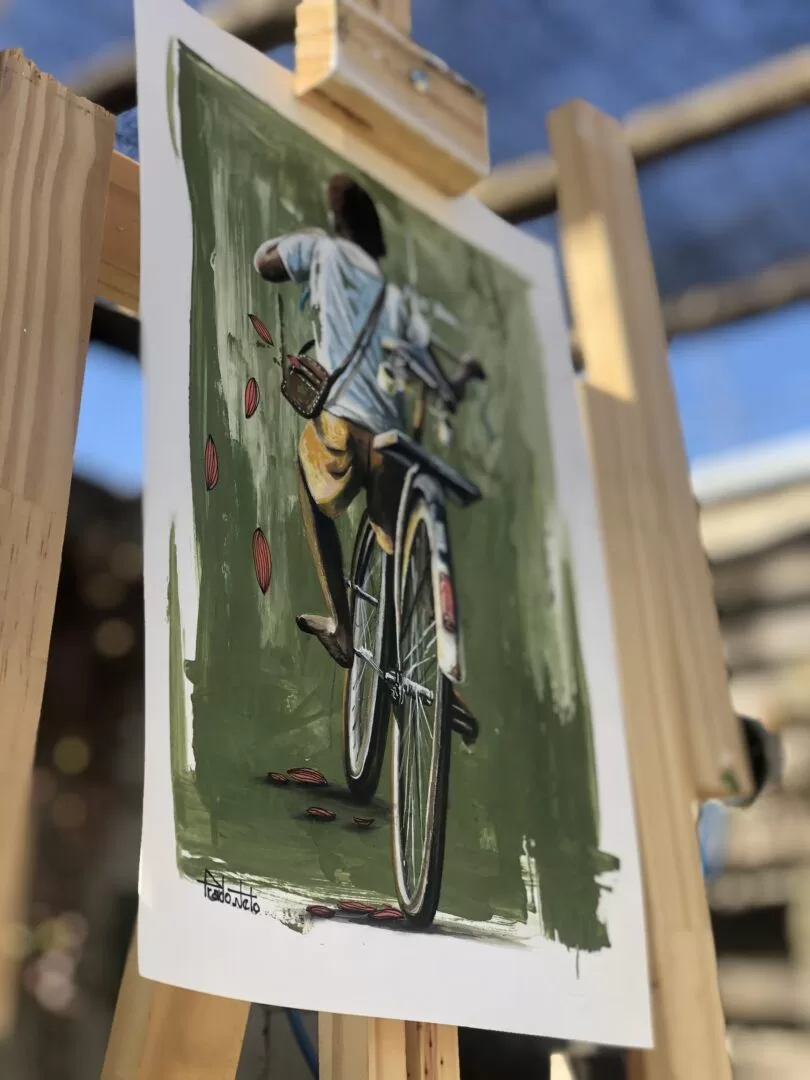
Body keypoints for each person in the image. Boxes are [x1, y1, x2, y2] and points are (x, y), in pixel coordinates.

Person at [253, 174, 458, 669]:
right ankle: (428, 663)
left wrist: (299, 237)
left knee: (309, 476)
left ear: (337, 221)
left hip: (342, 426)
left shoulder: (322, 252)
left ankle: (343, 629)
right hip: (389, 442)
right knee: (396, 541)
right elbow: (428, 368)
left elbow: (264, 264)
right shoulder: (393, 298)